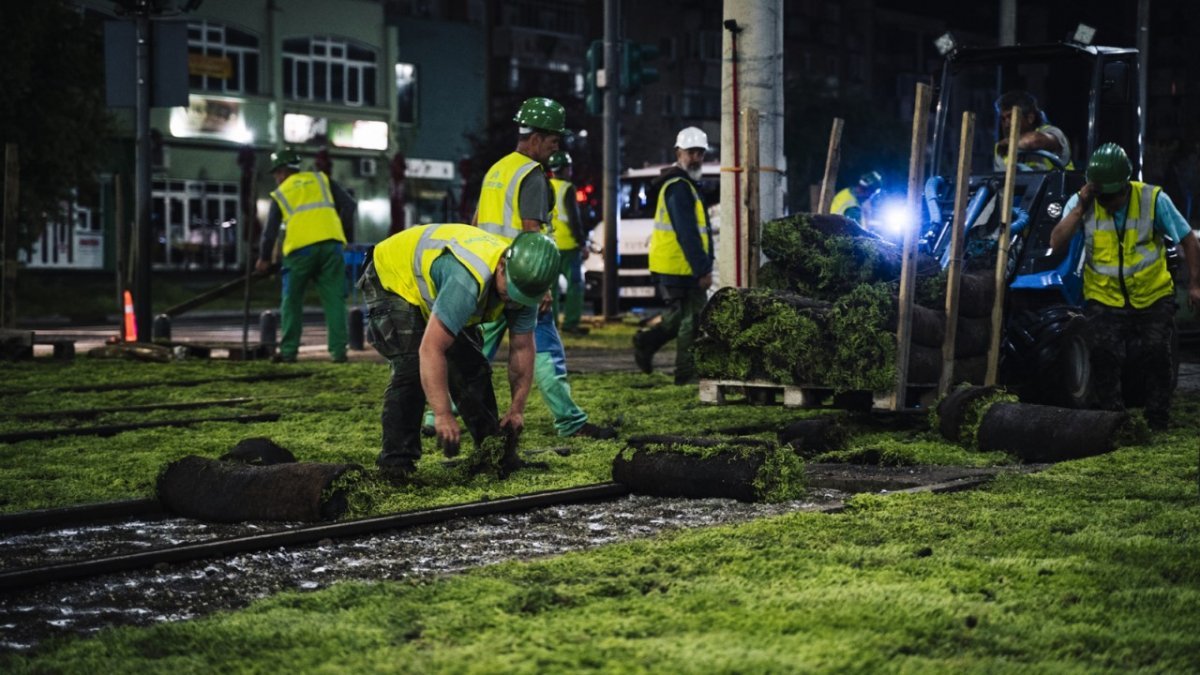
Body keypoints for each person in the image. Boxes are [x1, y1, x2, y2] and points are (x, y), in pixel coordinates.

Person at [359, 224, 561, 479]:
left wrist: (517, 408)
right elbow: (431, 350)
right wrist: (442, 413)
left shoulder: (527, 284)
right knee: (410, 365)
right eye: (511, 292)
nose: (513, 302)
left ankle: (493, 453)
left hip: (434, 284)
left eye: (522, 297)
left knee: (471, 364)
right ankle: (396, 464)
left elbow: (522, 348)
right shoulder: (466, 280)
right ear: (501, 266)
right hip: (392, 275)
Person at [472, 97, 615, 440]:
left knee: (473, 352)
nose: (556, 147)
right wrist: (542, 286)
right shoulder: (532, 176)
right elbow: (531, 233)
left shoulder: (497, 169)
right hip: (523, 280)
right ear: (535, 137)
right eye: (553, 140)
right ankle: (570, 421)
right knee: (547, 350)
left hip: (492, 277)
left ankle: (435, 418)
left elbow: (475, 222)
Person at [1049, 142, 1200, 430]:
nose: (1108, 203)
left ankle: (1157, 420)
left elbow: (1189, 241)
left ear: (1125, 186)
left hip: (1152, 295)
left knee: (1156, 354)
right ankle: (1115, 422)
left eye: (1113, 197)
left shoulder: (1153, 199)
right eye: (1102, 196)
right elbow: (1056, 241)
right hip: (1103, 297)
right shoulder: (1085, 202)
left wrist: (1195, 285)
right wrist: (1080, 208)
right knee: (1104, 356)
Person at [256, 148, 357, 363]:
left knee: (292, 301)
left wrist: (264, 258)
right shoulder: (322, 180)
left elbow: (270, 231)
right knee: (335, 300)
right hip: (332, 247)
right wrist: (343, 234)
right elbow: (349, 205)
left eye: (276, 174)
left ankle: (289, 352)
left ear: (282, 172)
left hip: (300, 251)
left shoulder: (282, 192)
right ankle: (339, 353)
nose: (276, 178)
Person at [632, 126, 715, 385]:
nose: (696, 157)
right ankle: (686, 375)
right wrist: (702, 268)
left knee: (682, 315)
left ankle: (646, 342)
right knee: (693, 318)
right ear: (678, 152)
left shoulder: (684, 184)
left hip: (677, 264)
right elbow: (687, 232)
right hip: (680, 266)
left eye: (700, 152)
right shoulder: (679, 187)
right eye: (691, 152)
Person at [547, 150, 589, 336]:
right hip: (569, 247)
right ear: (565, 169)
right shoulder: (567, 189)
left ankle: (552, 324)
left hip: (549, 246)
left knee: (551, 289)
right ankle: (571, 324)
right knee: (575, 286)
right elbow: (574, 219)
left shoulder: (546, 187)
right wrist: (582, 243)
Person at [993, 90, 1073, 171]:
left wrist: (1012, 143)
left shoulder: (1053, 133)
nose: (1006, 125)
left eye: (1011, 117)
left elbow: (1035, 141)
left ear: (1030, 118)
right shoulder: (1001, 147)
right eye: (1003, 119)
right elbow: (1000, 179)